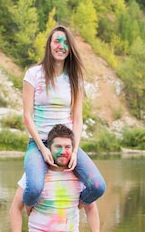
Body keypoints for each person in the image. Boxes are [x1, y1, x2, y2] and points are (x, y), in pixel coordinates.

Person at [22, 25, 106, 209]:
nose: (61, 46)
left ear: (70, 49)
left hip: (66, 144)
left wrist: (74, 150)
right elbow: (27, 116)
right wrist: (43, 149)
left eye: (66, 43)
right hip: (39, 143)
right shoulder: (33, 74)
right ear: (49, 45)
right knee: (34, 188)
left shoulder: (75, 78)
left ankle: (75, 206)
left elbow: (77, 118)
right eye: (57, 41)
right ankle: (28, 206)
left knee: (98, 186)